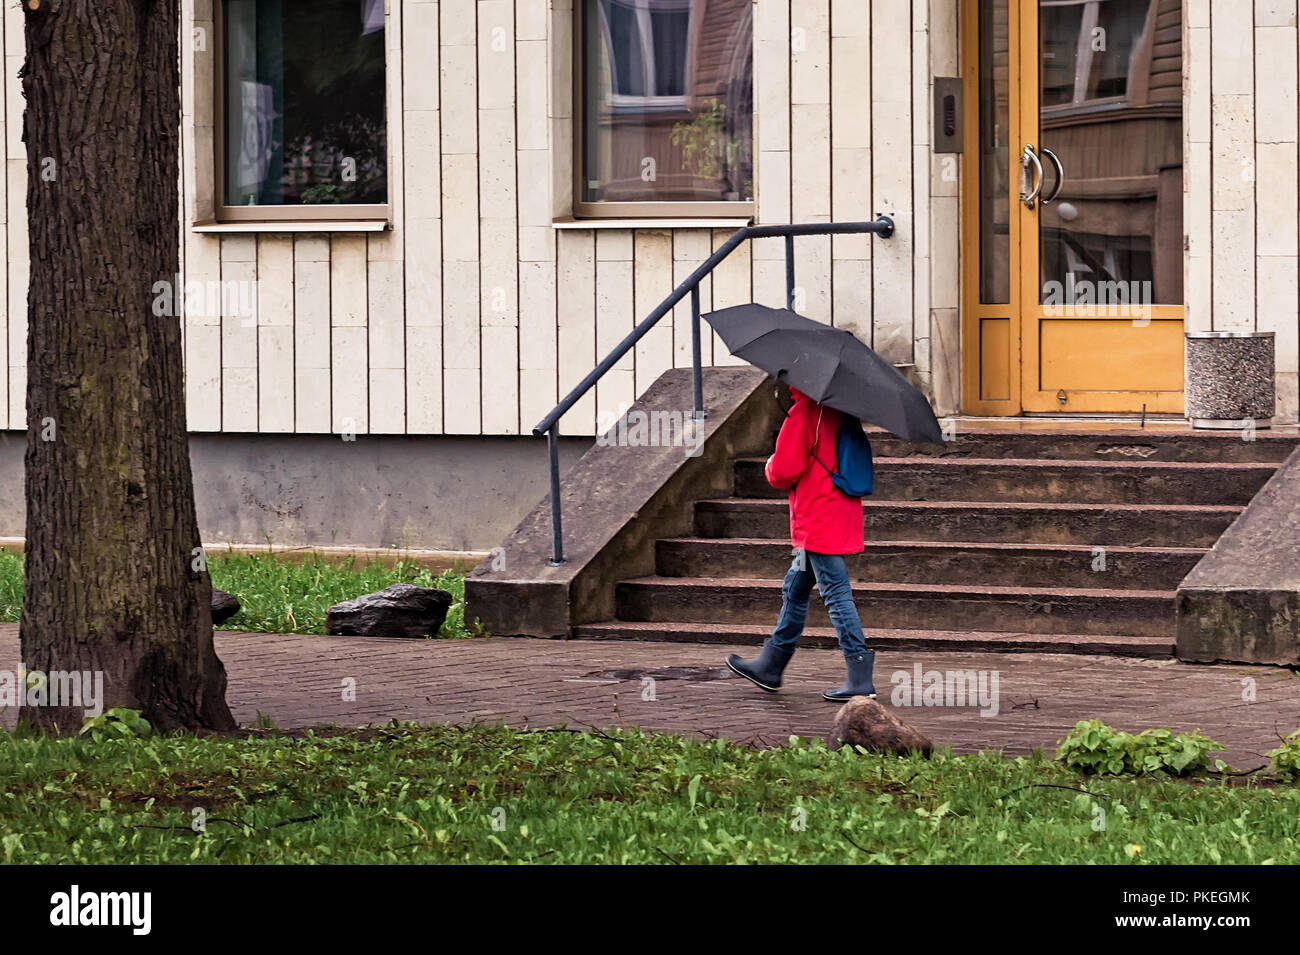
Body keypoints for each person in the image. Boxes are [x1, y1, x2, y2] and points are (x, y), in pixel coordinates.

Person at [725, 386, 876, 701]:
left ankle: (860, 675)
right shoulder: (841, 410)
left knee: (835, 593)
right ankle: (771, 664)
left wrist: (769, 464)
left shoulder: (806, 412)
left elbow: (783, 471)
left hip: (817, 516)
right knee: (795, 586)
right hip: (838, 511)